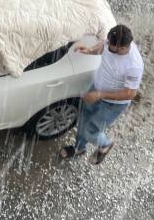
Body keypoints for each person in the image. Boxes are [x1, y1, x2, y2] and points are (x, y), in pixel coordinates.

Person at [59, 24, 144, 165]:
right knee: (83, 119)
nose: (107, 45)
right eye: (108, 42)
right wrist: (90, 50)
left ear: (123, 48)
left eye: (112, 46)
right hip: (96, 88)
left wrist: (100, 95)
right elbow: (102, 46)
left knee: (91, 130)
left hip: (113, 104)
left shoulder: (134, 65)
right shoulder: (112, 42)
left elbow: (129, 93)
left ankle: (105, 144)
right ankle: (79, 148)